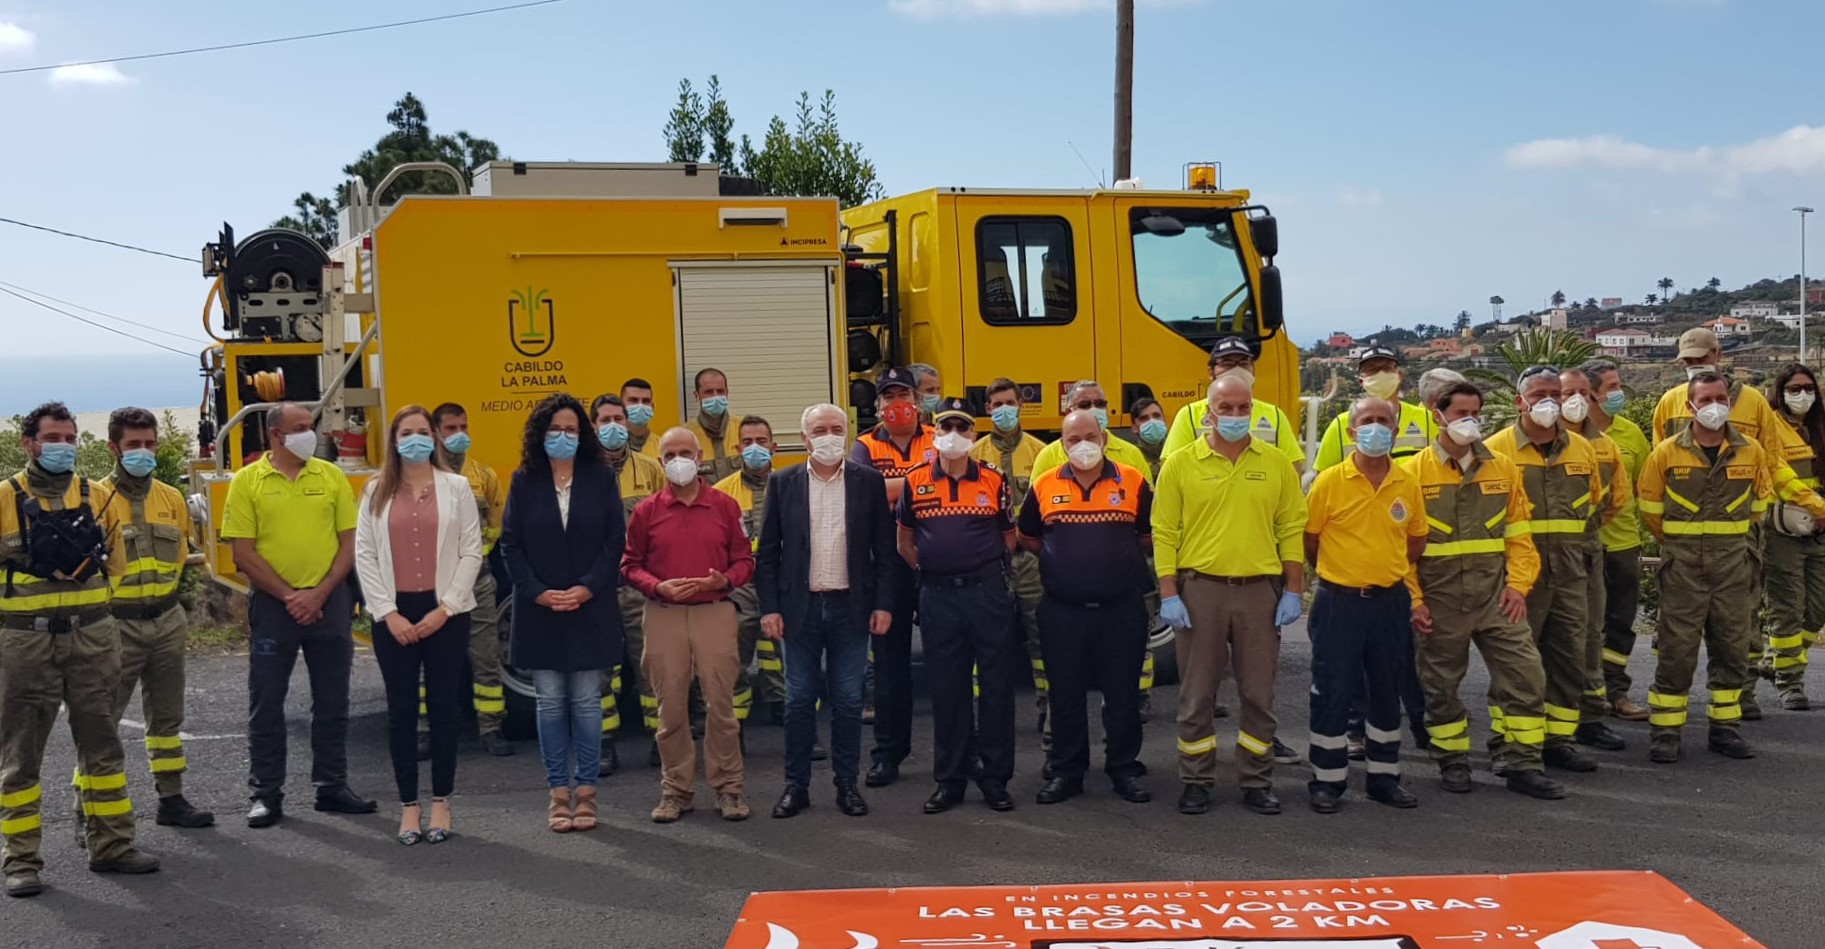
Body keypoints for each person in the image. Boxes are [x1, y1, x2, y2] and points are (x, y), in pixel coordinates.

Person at [0, 402, 160, 898]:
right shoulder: (5, 497)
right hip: (26, 639)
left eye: (70, 437)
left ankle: (111, 845)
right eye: (53, 437)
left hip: (93, 634)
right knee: (21, 754)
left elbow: (118, 566)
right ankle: (20, 860)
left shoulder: (97, 496)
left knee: (102, 744)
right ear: (29, 443)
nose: (64, 446)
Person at [1636, 372, 1825, 761]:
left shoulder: (1752, 451)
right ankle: (1666, 733)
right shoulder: (1666, 453)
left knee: (1732, 651)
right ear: (1690, 406)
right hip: (1684, 567)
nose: (1713, 406)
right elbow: (1650, 510)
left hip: (1734, 566)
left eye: (1719, 398)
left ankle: (1725, 729)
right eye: (1704, 400)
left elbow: (1760, 503)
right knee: (1677, 653)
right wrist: (1681, 544)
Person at [1153, 376, 1306, 817]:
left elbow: (1290, 528)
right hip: (1200, 590)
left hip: (1259, 592)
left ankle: (1257, 781)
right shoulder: (1181, 464)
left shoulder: (1276, 463)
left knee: (1259, 693)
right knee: (1197, 693)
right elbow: (1164, 532)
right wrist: (1169, 593)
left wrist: (1293, 589)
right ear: (1209, 413)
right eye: (1227, 407)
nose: (1236, 416)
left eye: (1244, 408)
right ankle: (1197, 779)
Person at [1404, 383, 1565, 800]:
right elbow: (1398, 551)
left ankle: (1523, 763)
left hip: (1497, 598)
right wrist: (1415, 601)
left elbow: (1520, 538)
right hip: (1440, 602)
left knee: (1526, 676)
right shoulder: (1411, 474)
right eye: (1460, 413)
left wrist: (1518, 586)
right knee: (1439, 685)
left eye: (1475, 412)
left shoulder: (1504, 469)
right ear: (1436, 415)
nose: (1470, 420)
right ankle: (1452, 760)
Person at [223, 402, 374, 829]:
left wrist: (320, 593)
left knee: (333, 699)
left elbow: (350, 544)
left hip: (330, 602)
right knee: (267, 702)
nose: (312, 434)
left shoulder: (330, 476)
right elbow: (242, 552)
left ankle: (332, 787)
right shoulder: (247, 482)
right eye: (301, 428)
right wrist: (292, 596)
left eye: (312, 426)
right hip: (274, 606)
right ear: (275, 435)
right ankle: (265, 794)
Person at [758, 404, 897, 819]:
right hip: (798, 609)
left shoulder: (867, 482)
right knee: (799, 701)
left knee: (850, 701)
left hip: (850, 607)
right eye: (820, 429)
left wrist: (883, 604)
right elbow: (767, 553)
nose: (829, 436)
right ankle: (795, 786)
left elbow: (885, 553)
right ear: (804, 438)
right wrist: (769, 609)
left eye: (837, 428)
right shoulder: (783, 483)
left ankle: (846, 785)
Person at [354, 405, 484, 844]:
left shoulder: (458, 487)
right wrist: (387, 613)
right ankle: (409, 806)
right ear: (393, 440)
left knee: (445, 709)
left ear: (435, 438)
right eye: (406, 433)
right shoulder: (374, 491)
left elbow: (472, 551)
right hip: (393, 612)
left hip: (445, 612)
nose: (415, 440)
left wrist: (444, 609)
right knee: (402, 712)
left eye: (423, 432)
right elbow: (365, 555)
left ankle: (442, 800)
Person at [499, 394, 625, 834]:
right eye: (555, 430)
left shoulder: (601, 478)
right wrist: (538, 593)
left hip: (590, 606)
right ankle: (557, 793)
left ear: (582, 434)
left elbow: (615, 541)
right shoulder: (524, 480)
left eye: (571, 430)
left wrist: (586, 588)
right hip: (542, 609)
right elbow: (510, 544)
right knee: (551, 704)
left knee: (588, 704)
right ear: (540, 434)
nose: (563, 437)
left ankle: (587, 793)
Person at [1485, 367, 1619, 774]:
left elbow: (1600, 505)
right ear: (1518, 401)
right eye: (1538, 394)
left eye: (1553, 394)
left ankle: (1559, 739)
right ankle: (1507, 742)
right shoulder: (1495, 450)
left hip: (1572, 571)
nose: (1549, 402)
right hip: (1519, 577)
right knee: (1516, 661)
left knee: (1568, 657)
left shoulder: (1582, 449)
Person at [1020, 410, 1154, 806]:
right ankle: (1066, 771)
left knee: (1123, 694)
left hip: (1121, 608)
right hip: (1063, 609)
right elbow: (1029, 537)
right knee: (1065, 695)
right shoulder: (1044, 484)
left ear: (1104, 438)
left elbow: (1148, 537)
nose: (1082, 445)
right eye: (1073, 438)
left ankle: (1124, 768)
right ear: (1062, 444)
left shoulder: (1132, 481)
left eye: (1090, 436)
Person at [623, 427, 755, 823]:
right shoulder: (646, 511)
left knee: (721, 707)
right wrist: (657, 585)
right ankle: (676, 791)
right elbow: (629, 564)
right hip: (662, 614)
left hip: (713, 611)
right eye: (670, 454)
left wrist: (726, 581)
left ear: (699, 457)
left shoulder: (725, 506)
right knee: (671, 711)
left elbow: (746, 560)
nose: (679, 460)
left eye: (686, 452)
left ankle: (729, 789)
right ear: (660, 462)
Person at [1304, 397, 1425, 814]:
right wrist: (1345, 571)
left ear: (1394, 430)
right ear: (1353, 432)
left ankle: (1384, 778)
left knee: (1386, 690)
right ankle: (1326, 780)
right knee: (1332, 690)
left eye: (1383, 421)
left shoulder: (1407, 482)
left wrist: (1383, 570)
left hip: (1389, 602)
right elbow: (1310, 539)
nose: (1376, 428)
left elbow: (1416, 540)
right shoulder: (1330, 482)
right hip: (1338, 602)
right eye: (1367, 421)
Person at [94, 408, 213, 829]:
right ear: (114, 448)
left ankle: (172, 798)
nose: (142, 452)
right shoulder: (94, 499)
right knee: (103, 723)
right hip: (114, 625)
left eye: (148, 444)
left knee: (167, 719)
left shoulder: (171, 498)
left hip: (166, 620)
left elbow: (181, 557)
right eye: (132, 445)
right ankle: (90, 809)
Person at [899, 398, 1018, 814]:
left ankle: (996, 777)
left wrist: (980, 568)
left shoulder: (993, 479)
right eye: (946, 427)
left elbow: (1009, 537)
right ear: (934, 432)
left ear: (972, 436)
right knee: (947, 690)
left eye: (962, 428)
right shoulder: (915, 481)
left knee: (997, 688)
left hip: (985, 594)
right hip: (938, 597)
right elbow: (905, 542)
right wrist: (936, 569)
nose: (954, 435)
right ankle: (950, 779)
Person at [851, 367, 934, 787]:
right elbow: (862, 491)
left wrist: (893, 486)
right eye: (888, 396)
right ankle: (888, 753)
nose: (896, 403)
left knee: (948, 663)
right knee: (888, 666)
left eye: (904, 394)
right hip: (886, 565)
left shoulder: (940, 437)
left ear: (917, 401)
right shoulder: (864, 444)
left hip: (933, 560)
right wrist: (923, 482)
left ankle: (956, 752)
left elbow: (951, 480)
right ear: (878, 405)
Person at [1557, 367, 1633, 754]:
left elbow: (1616, 499)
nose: (1575, 400)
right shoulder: (1525, 444)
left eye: (1583, 393)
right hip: (1538, 557)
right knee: (1540, 640)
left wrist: (1584, 529)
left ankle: (1588, 718)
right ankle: (1542, 723)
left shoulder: (1605, 445)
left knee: (1589, 636)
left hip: (1586, 552)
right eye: (1567, 392)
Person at [429, 403, 512, 758]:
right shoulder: (421, 475)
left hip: (477, 581)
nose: (459, 433)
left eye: (463, 426)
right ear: (435, 432)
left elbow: (495, 525)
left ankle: (491, 728)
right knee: (429, 659)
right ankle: (425, 730)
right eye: (450, 428)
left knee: (486, 656)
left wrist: (474, 557)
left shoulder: (483, 475)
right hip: (432, 582)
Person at [590, 393, 667, 772]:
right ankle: (604, 744)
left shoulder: (651, 469)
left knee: (650, 666)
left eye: (618, 418)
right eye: (605, 420)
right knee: (601, 669)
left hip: (640, 586)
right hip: (598, 588)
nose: (614, 426)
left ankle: (660, 740)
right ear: (593, 427)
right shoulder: (581, 473)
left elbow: (665, 525)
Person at [969, 379, 1049, 734]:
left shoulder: (1042, 453)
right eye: (996, 403)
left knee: (1041, 637)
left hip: (1031, 562)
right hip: (992, 562)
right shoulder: (974, 455)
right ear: (988, 409)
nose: (1004, 410)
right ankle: (985, 712)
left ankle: (1049, 709)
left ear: (1020, 405)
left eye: (1010, 403)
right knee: (987, 641)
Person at [1581, 360, 1653, 721]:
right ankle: (1582, 697)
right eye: (1611, 386)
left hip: (1623, 542)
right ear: (1591, 393)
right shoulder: (1569, 433)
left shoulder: (1630, 434)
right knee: (1583, 625)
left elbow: (1644, 487)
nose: (1618, 393)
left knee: (1621, 622)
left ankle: (1616, 692)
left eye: (1618, 385)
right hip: (1578, 547)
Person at [714, 416, 787, 727]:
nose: (754, 448)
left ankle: (788, 712)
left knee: (784, 653)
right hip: (738, 585)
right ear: (737, 448)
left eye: (761, 441)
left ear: (774, 447)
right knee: (734, 655)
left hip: (781, 580)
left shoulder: (790, 485)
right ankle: (736, 726)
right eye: (747, 442)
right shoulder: (720, 493)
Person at [1760, 364, 1825, 711]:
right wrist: (1814, 506)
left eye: (1808, 388)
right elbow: (1777, 471)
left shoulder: (1818, 427)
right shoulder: (1770, 425)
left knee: (1817, 607)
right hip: (1784, 528)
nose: (1803, 395)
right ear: (1780, 391)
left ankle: (1775, 663)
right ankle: (1790, 683)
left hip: (1820, 528)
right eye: (1794, 388)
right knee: (1786, 608)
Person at [1161, 336, 1304, 472]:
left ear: (1253, 370)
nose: (1237, 370)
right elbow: (1171, 469)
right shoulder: (1189, 415)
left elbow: (1292, 468)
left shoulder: (1275, 416)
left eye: (1243, 363)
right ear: (1211, 372)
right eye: (1227, 364)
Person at [1313, 345, 1436, 470]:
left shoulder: (1427, 419)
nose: (1381, 374)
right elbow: (1323, 476)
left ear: (1399, 375)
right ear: (1361, 381)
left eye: (1387, 368)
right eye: (1372, 369)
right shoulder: (1341, 425)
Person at [1033, 381, 1156, 483]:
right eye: (1085, 405)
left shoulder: (1132, 455)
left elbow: (1148, 504)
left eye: (1100, 404)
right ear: (1068, 412)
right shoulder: (1048, 457)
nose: (1094, 409)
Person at [685, 368, 741, 482]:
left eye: (720, 391)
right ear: (697, 396)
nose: (715, 396)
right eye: (709, 392)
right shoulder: (685, 436)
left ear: (727, 393)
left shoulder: (744, 429)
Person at [620, 378, 663, 459]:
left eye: (646, 401)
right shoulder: (609, 448)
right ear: (620, 406)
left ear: (652, 407)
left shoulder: (663, 448)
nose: (640, 406)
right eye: (633, 400)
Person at [1128, 397, 1169, 480]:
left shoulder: (1176, 451)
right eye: (1144, 418)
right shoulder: (1130, 457)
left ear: (1165, 421)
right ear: (1134, 428)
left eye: (1156, 416)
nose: (1152, 422)